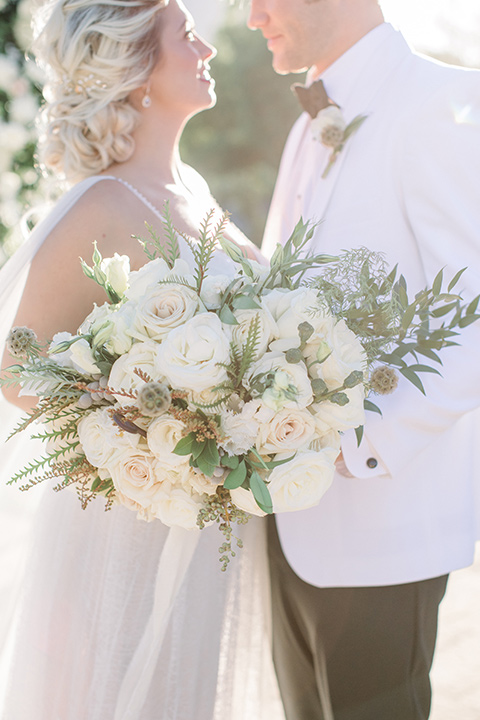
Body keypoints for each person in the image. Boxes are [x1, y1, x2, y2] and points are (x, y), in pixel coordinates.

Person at [0, 1, 284, 718]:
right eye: (186, 36)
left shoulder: (193, 191)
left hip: (210, 522)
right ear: (136, 72)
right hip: (131, 524)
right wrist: (153, 434)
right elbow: (15, 364)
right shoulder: (100, 204)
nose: (207, 50)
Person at [248, 1, 480, 719]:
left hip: (383, 527)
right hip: (288, 524)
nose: (254, 16)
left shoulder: (442, 104)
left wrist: (362, 445)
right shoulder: (302, 128)